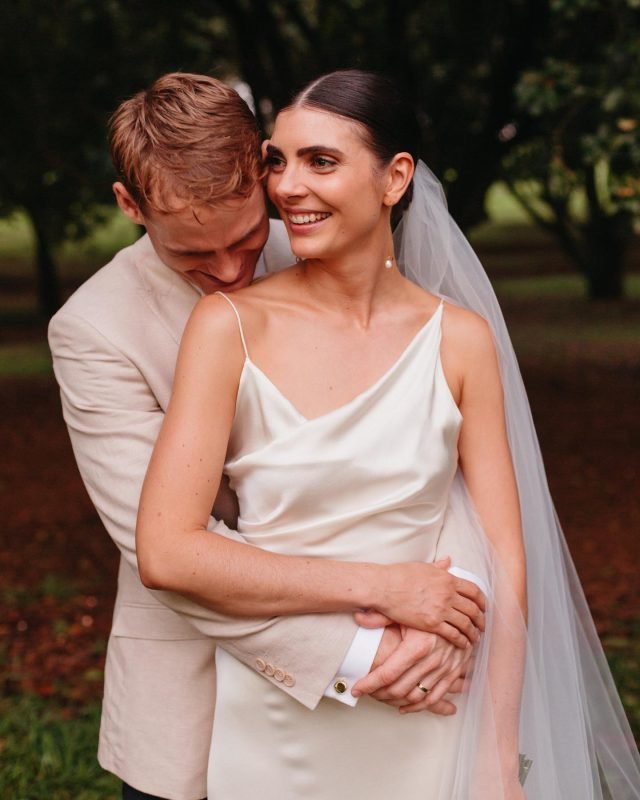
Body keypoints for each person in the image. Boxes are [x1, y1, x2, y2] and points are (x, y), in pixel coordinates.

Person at [136, 70, 640, 799]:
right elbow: (167, 549)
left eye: (322, 161)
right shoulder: (229, 327)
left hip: (433, 707)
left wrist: (499, 756)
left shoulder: (460, 342)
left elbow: (506, 556)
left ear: (395, 177)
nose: (288, 187)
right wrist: (387, 592)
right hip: (283, 726)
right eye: (278, 160)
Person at [48, 72, 486, 800]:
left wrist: (447, 611)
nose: (229, 274)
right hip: (194, 703)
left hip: (404, 684)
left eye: (247, 239)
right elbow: (167, 553)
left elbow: (438, 450)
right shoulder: (94, 331)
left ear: (264, 169)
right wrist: (373, 645)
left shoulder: (333, 242)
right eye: (194, 256)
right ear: (129, 205)